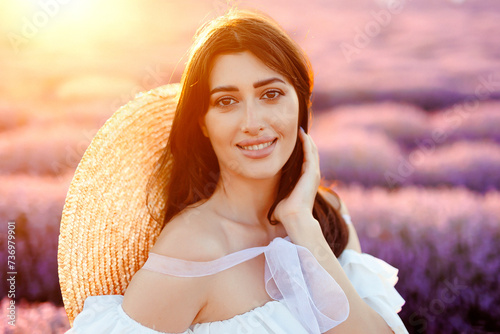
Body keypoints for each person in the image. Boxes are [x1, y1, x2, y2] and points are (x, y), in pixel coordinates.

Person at [58, 9, 408, 334]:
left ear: (301, 104)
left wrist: (301, 223)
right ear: (204, 123)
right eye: (227, 101)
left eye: (271, 94)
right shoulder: (192, 249)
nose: (253, 123)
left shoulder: (326, 215)